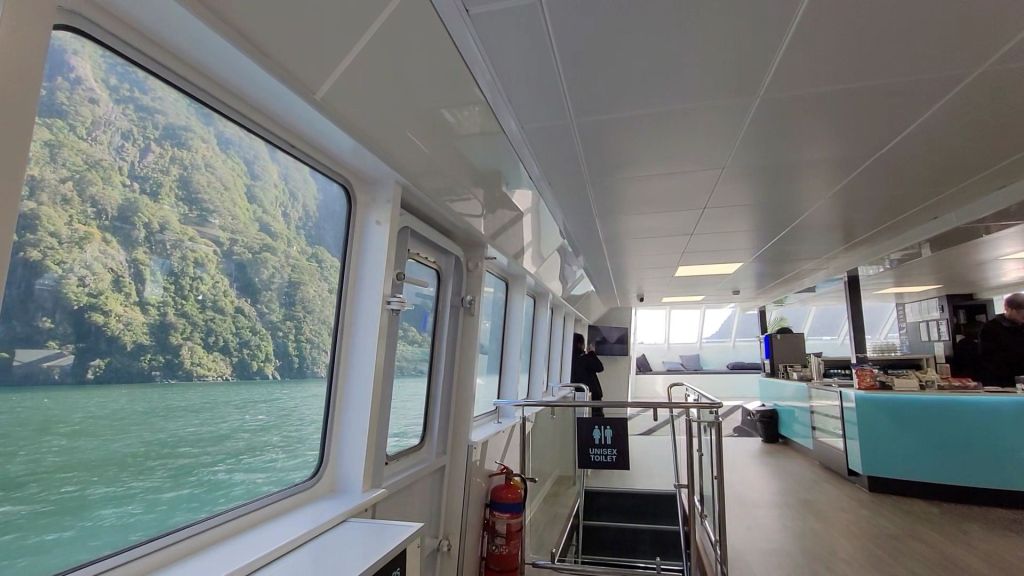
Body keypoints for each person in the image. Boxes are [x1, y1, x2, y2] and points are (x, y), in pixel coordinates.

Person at [979, 293, 1024, 387]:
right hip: (1002, 380)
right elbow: (989, 358)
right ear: (1008, 309)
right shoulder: (991, 328)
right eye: (1020, 313)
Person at [571, 332, 604, 417]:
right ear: (580, 344)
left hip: (577, 394)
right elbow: (599, 367)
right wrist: (592, 353)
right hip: (593, 396)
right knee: (596, 420)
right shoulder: (585, 358)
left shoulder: (570, 359)